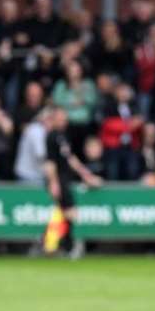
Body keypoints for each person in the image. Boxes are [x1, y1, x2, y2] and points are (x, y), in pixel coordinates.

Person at [42, 105, 103, 258]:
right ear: (54, 119)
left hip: (65, 178)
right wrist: (53, 182)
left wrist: (85, 174)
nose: (64, 121)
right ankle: (65, 245)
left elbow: (70, 159)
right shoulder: (51, 136)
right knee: (69, 212)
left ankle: (57, 245)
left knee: (65, 213)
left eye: (65, 119)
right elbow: (50, 162)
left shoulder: (63, 136)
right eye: (61, 118)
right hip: (59, 179)